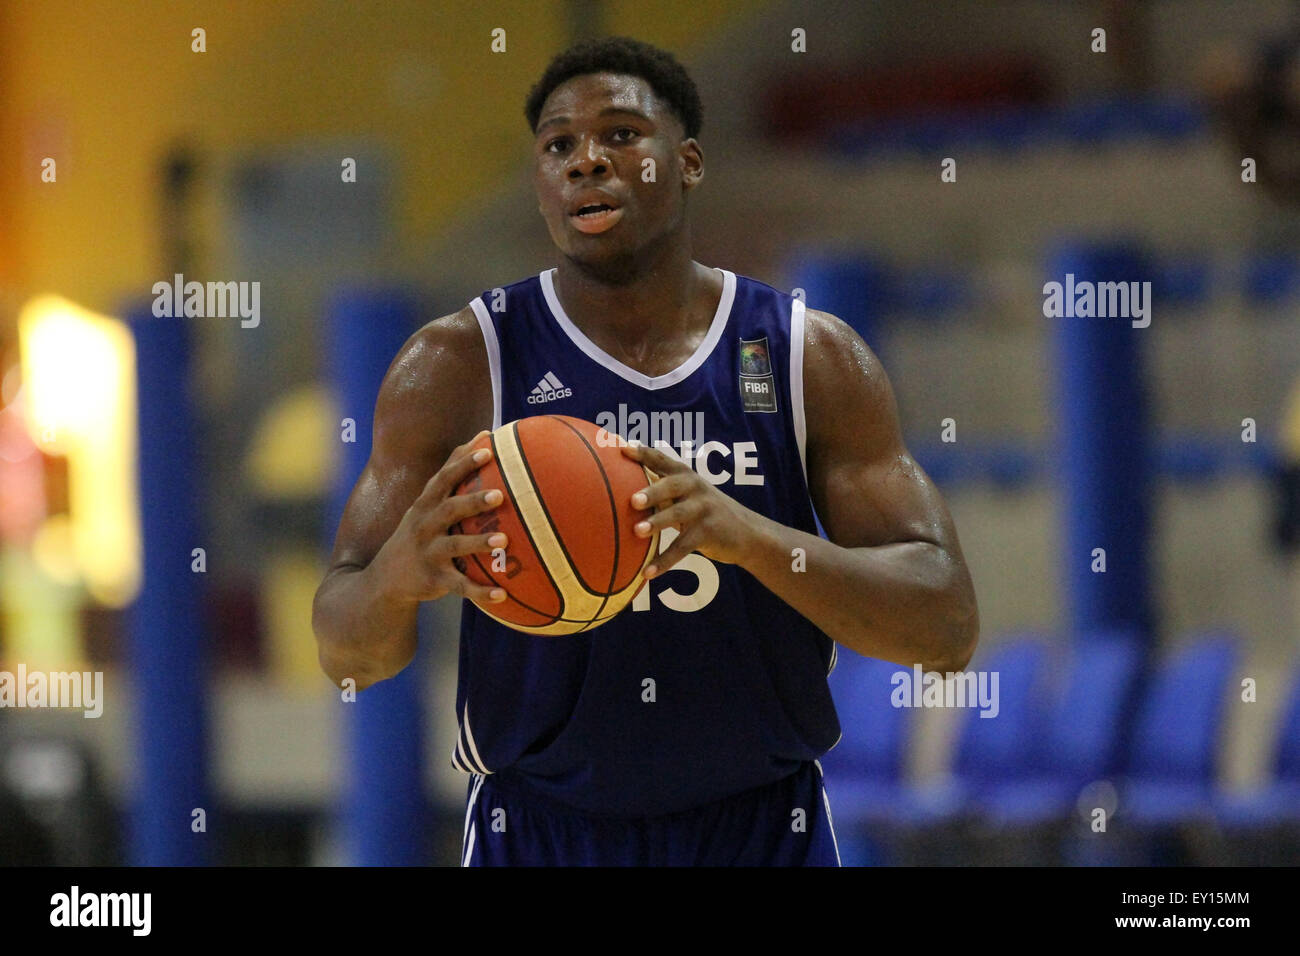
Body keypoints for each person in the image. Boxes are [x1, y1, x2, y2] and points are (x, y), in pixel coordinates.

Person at [311, 36, 978, 866]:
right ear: (542, 184)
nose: (586, 161)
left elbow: (945, 627)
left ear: (688, 161)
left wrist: (751, 538)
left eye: (621, 135)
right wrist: (397, 577)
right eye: (559, 146)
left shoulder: (807, 355)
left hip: (761, 830)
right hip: (542, 832)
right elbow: (347, 652)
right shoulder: (455, 364)